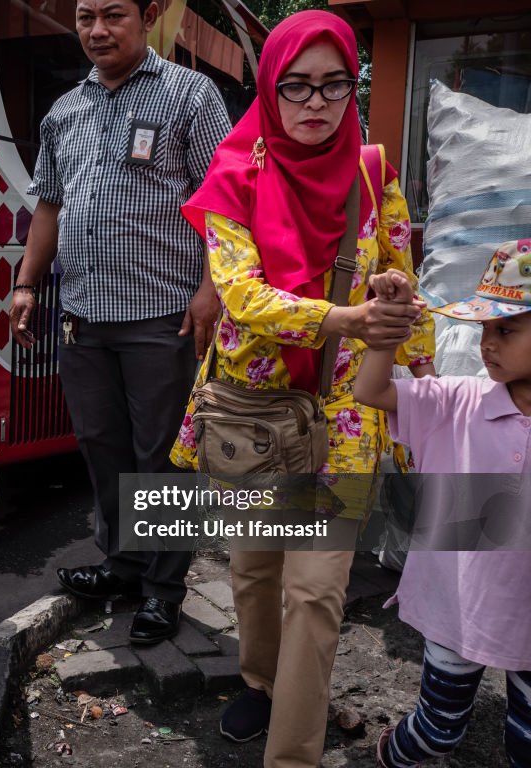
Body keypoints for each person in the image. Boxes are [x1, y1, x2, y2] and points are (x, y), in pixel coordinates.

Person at [169, 10, 436, 767]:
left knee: (315, 590)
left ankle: (294, 753)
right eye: (296, 86)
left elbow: (404, 283)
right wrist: (348, 316)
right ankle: (258, 679)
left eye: (334, 85)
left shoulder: (373, 172)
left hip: (345, 415)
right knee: (254, 570)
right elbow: (243, 298)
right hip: (252, 411)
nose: (315, 103)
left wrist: (416, 369)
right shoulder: (232, 175)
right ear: (270, 88)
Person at [9, 0, 231, 645]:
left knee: (161, 455)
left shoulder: (190, 94)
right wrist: (27, 284)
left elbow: (225, 202)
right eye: (85, 17)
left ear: (148, 17)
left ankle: (164, 589)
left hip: (164, 315)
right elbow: (48, 205)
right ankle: (124, 565)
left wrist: (212, 288)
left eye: (113, 15)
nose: (97, 31)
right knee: (101, 447)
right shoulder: (64, 111)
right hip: (83, 316)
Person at [354, 245, 531, 768]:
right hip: (458, 606)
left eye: (506, 330)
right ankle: (392, 753)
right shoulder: (459, 401)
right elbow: (372, 389)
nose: (487, 344)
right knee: (437, 728)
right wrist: (388, 325)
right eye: (484, 330)